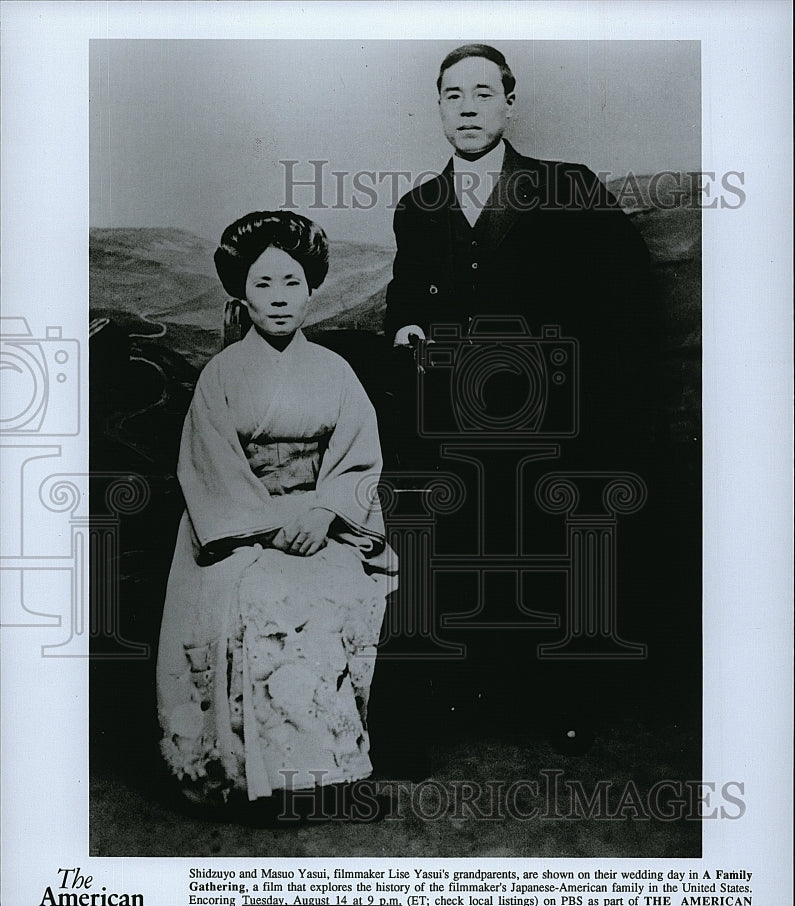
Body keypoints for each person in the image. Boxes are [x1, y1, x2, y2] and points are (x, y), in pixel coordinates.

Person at [156, 211, 397, 821]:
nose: (280, 298)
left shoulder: (335, 372)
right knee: (259, 592)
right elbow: (209, 466)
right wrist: (266, 525)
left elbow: (358, 460)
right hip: (237, 525)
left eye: (292, 282)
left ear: (311, 286)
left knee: (332, 589)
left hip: (321, 519)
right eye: (263, 284)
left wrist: (324, 514)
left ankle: (321, 774)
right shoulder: (221, 374)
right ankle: (249, 777)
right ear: (241, 292)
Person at [385, 43, 655, 463]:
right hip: (453, 431)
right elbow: (405, 302)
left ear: (509, 105)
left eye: (483, 94)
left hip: (561, 426)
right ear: (439, 107)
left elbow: (631, 299)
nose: (467, 109)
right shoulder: (416, 208)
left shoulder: (569, 186)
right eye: (453, 96)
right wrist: (407, 328)